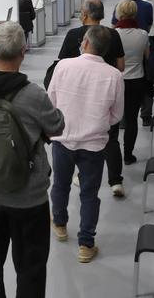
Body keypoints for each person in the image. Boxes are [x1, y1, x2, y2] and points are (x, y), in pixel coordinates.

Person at [0, 22, 64, 298]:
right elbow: (57, 127)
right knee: (31, 269)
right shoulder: (33, 93)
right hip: (28, 196)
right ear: (23, 52)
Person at [48, 26, 124, 263]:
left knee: (60, 185)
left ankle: (59, 224)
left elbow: (51, 101)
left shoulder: (63, 66)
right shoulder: (114, 75)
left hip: (63, 139)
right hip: (94, 145)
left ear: (86, 43)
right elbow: (116, 116)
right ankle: (86, 244)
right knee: (89, 194)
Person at [58, 0, 126, 197]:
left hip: (78, 96)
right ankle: (116, 181)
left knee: (81, 140)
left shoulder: (73, 35)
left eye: (81, 11)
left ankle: (81, 175)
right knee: (111, 140)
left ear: (85, 14)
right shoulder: (112, 34)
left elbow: (62, 65)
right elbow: (121, 66)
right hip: (104, 96)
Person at [114, 0, 150, 165]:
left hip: (116, 81)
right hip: (136, 81)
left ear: (119, 13)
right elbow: (146, 56)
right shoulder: (142, 34)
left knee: (112, 119)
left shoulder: (113, 33)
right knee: (131, 119)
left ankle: (112, 155)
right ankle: (128, 155)